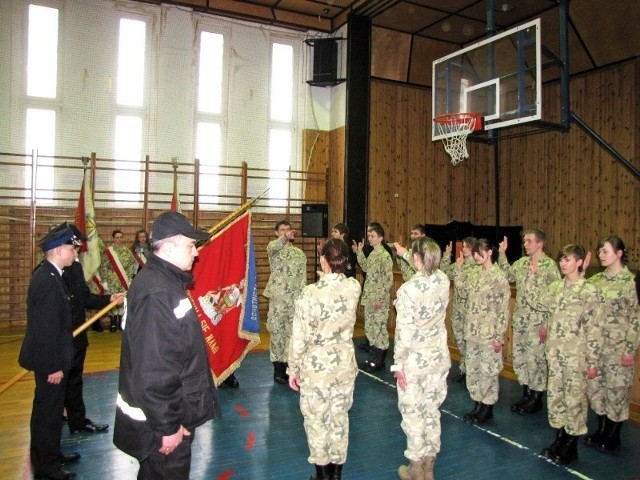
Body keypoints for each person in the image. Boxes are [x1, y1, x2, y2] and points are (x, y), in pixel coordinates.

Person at [113, 211, 221, 479]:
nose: (196, 253)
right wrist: (168, 426)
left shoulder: (165, 283)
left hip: (166, 418)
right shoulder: (158, 292)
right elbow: (154, 371)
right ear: (170, 246)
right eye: (191, 245)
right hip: (161, 427)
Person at [288, 238, 361, 480]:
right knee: (339, 418)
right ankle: (337, 474)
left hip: (317, 367)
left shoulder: (309, 294)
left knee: (317, 420)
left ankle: (322, 474)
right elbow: (340, 284)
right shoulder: (353, 287)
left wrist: (293, 369)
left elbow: (299, 337)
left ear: (323, 260)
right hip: (343, 364)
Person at [526, 244, 601, 465]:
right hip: (555, 355)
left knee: (574, 400)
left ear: (579, 262)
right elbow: (537, 302)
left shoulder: (588, 291)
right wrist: (531, 278)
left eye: (567, 259)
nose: (562, 263)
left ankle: (571, 445)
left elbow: (594, 329)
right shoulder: (556, 288)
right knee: (556, 398)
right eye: (561, 259)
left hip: (576, 357)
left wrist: (593, 361)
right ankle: (559, 438)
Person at [18, 223, 83, 480]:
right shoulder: (47, 280)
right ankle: (47, 468)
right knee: (47, 414)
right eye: (72, 248)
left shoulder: (52, 275)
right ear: (58, 250)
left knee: (51, 412)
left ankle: (49, 455)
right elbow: (45, 328)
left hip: (52, 358)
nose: (76, 254)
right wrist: (54, 365)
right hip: (50, 361)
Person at [392, 237, 450, 480]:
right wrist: (407, 253)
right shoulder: (443, 280)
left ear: (417, 258)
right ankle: (429, 468)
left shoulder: (408, 290)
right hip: (438, 358)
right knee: (432, 411)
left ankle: (416, 469)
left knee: (413, 414)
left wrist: (398, 364)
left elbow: (404, 333)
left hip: (414, 360)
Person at [63, 224, 125, 435]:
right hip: (61, 339)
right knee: (55, 390)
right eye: (75, 244)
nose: (80, 246)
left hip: (78, 335)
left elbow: (84, 298)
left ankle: (77, 421)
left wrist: (109, 299)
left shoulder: (76, 267)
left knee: (74, 381)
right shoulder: (48, 274)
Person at [585, 236, 640, 451]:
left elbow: (636, 318)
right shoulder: (596, 280)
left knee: (616, 392)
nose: (601, 255)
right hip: (597, 349)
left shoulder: (630, 282)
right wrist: (582, 270)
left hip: (618, 348)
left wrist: (630, 349)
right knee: (596, 390)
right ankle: (602, 429)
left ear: (619, 254)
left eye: (605, 251)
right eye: (599, 251)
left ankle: (614, 434)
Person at [498, 228, 560, 415]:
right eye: (524, 241)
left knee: (536, 362)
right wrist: (502, 254)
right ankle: (526, 393)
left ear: (540, 243)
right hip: (522, 321)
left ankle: (536, 398)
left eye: (529, 241)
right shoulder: (523, 263)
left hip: (538, 324)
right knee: (521, 359)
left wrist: (547, 326)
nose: (525, 244)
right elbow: (507, 275)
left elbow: (555, 299)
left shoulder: (549, 267)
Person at [455, 238, 510, 424]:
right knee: (473, 369)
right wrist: (460, 270)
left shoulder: (498, 277)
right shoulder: (475, 274)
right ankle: (478, 403)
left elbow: (503, 310)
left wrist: (499, 335)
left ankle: (487, 407)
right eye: (475, 253)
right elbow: (462, 293)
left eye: (480, 253)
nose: (477, 257)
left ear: (489, 253)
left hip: (489, 334)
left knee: (488, 371)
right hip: (472, 332)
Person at [263, 220, 307, 384]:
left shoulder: (299, 253)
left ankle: (291, 367)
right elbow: (272, 247)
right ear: (276, 233)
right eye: (282, 230)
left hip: (294, 301)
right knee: (277, 333)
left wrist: (303, 298)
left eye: (288, 230)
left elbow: (303, 278)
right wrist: (283, 239)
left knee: (292, 334)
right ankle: (278, 369)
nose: (286, 232)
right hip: (278, 300)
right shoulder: (274, 249)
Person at [353, 223, 394, 372]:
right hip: (370, 296)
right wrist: (359, 253)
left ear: (380, 238)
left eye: (373, 236)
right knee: (370, 328)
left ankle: (380, 361)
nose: (370, 238)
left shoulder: (384, 256)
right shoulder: (373, 254)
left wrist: (380, 299)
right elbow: (365, 268)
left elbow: (388, 280)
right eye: (369, 236)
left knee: (379, 329)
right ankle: (375, 358)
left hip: (378, 299)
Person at [439, 237, 478, 384]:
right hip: (458, 311)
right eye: (464, 247)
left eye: (468, 247)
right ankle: (464, 369)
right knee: (461, 342)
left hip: (470, 312)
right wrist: (447, 255)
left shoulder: (477, 267)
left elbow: (467, 290)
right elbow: (444, 272)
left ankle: (471, 372)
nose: (464, 249)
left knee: (470, 344)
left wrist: (460, 270)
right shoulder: (459, 263)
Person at [99, 229, 136, 332]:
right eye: (117, 238)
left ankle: (120, 321)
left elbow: (130, 266)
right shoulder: (108, 251)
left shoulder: (127, 251)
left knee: (122, 299)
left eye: (121, 237)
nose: (119, 239)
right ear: (113, 238)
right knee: (113, 300)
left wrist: (129, 279)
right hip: (112, 280)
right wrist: (105, 280)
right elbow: (103, 266)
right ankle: (113, 322)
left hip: (123, 280)